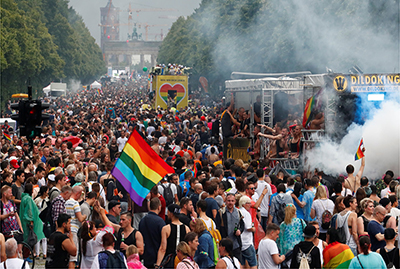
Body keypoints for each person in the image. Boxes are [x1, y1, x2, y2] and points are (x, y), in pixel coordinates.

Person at [155, 204, 190, 268]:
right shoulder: (186, 228)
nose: (167, 214)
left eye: (168, 212)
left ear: (171, 214)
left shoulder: (166, 229)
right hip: (182, 261)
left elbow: (163, 248)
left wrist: (157, 264)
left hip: (170, 261)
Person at [139, 197, 165, 269]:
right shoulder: (160, 222)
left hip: (145, 257)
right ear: (159, 207)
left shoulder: (142, 220)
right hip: (156, 257)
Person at [217, 193, 244, 261]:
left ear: (235, 201)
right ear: (225, 201)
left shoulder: (238, 212)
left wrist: (239, 231)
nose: (230, 203)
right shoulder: (221, 212)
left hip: (236, 244)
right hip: (225, 246)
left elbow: (242, 225)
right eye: (229, 201)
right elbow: (217, 227)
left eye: (232, 201)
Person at [19, 183, 45, 255]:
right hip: (27, 223)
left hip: (24, 222)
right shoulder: (28, 199)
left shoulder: (24, 198)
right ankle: (26, 255)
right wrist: (31, 221)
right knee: (28, 239)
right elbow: (29, 211)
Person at [238, 196, 257, 269]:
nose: (250, 205)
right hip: (247, 243)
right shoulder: (246, 213)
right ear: (243, 204)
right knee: (253, 263)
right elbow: (248, 227)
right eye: (248, 203)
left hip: (240, 242)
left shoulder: (238, 211)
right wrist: (254, 229)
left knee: (242, 264)